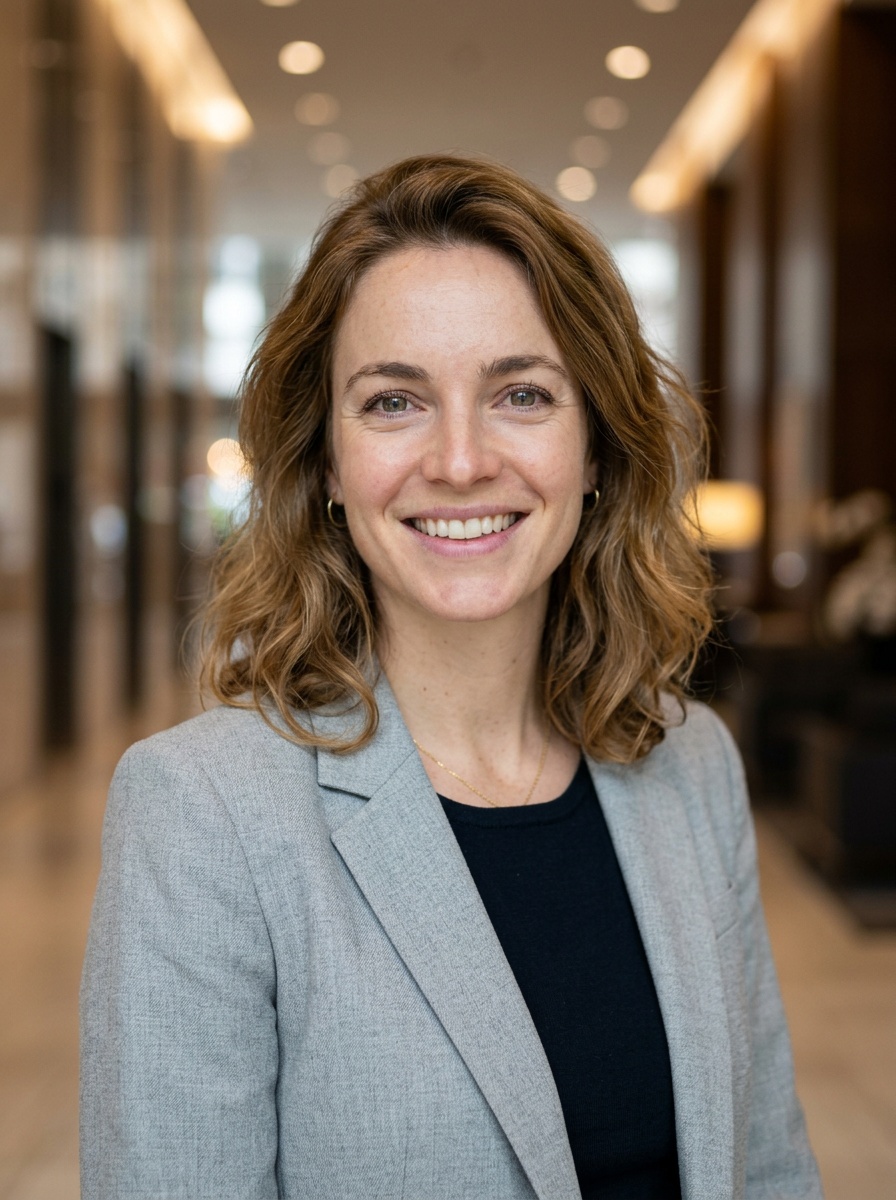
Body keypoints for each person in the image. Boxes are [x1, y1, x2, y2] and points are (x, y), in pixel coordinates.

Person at [80, 155, 823, 1200]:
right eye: (394, 402)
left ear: (596, 447)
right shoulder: (202, 811)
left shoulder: (689, 761)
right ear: (326, 462)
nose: (462, 461)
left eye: (521, 394)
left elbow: (768, 1168)